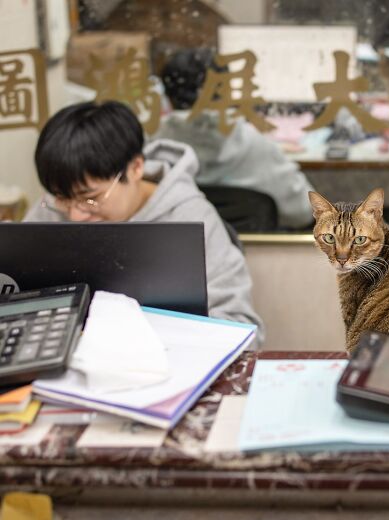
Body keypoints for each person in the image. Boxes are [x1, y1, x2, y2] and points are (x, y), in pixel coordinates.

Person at [24, 101, 265, 342]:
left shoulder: (190, 216)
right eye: (64, 199)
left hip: (167, 364)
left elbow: (240, 326)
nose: (76, 215)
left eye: (91, 199)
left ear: (136, 167)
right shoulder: (53, 209)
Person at [153, 48, 315, 230]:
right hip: (252, 256)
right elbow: (303, 213)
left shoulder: (150, 143)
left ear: (167, 94)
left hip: (174, 254)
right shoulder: (255, 145)